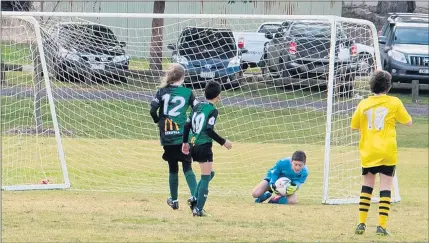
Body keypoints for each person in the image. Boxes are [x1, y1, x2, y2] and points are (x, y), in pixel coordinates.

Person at [351, 70, 412, 236]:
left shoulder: (363, 104)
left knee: (367, 185)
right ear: (388, 87)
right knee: (385, 187)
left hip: (369, 150)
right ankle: (381, 227)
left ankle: (361, 223)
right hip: (387, 150)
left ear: (372, 86)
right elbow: (408, 122)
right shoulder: (394, 102)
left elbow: (354, 125)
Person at [150, 63, 198, 210]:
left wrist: (158, 121)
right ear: (183, 77)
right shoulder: (188, 92)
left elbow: (152, 110)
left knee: (172, 167)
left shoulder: (161, 92)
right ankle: (195, 196)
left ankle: (174, 200)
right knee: (187, 166)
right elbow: (197, 109)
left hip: (167, 136)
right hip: (183, 135)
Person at [182, 81, 232, 217]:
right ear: (218, 96)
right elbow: (209, 130)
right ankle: (198, 209)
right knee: (205, 177)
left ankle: (194, 199)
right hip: (204, 146)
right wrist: (224, 142)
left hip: (193, 145)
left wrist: (185, 142)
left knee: (210, 174)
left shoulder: (197, 106)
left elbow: (187, 126)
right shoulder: (213, 110)